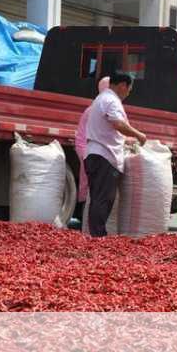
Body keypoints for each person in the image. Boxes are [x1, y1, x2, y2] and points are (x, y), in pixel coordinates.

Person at [84, 72, 147, 237]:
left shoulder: (101, 99)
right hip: (104, 156)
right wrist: (138, 134)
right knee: (103, 198)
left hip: (96, 154)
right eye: (129, 90)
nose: (128, 94)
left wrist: (125, 140)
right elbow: (117, 123)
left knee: (99, 197)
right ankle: (98, 236)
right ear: (122, 86)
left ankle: (96, 235)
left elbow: (108, 129)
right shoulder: (111, 100)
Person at [75, 77, 110, 204]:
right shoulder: (99, 107)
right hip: (86, 147)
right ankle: (85, 204)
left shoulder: (99, 105)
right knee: (90, 179)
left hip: (87, 146)